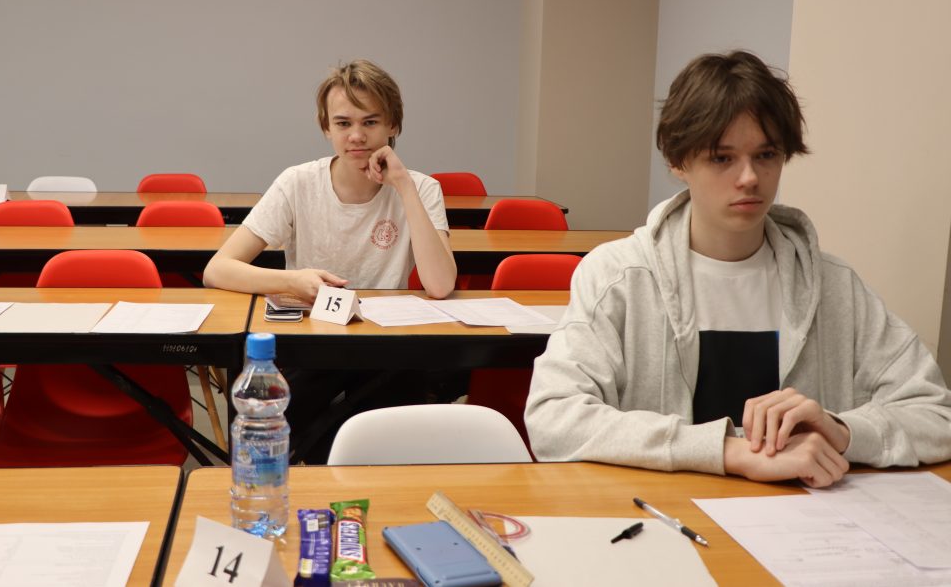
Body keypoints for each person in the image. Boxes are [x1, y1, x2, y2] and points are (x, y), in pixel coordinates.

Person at [524, 50, 951, 488]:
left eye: (766, 155)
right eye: (721, 158)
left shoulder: (833, 285)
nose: (749, 178)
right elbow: (554, 418)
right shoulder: (617, 277)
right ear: (677, 161)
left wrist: (840, 431)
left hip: (803, 522)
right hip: (665, 517)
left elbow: (936, 414)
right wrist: (727, 452)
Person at [204, 59, 458, 462]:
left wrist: (404, 186)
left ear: (393, 125)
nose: (356, 136)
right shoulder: (297, 182)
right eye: (343, 123)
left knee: (394, 436)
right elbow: (217, 269)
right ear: (326, 128)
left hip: (386, 351)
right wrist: (292, 281)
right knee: (288, 429)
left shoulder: (423, 188)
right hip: (311, 345)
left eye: (370, 122)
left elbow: (440, 286)